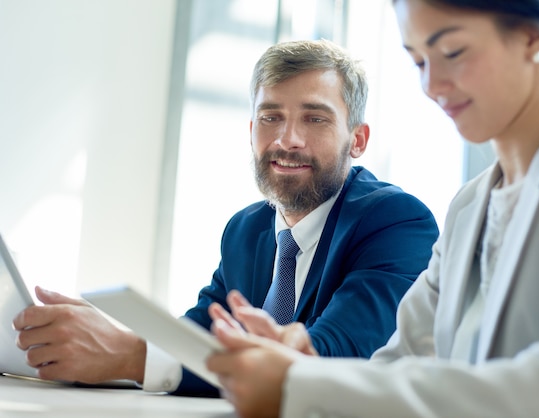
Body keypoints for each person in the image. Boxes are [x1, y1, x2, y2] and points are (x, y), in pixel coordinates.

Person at [203, 1, 539, 417]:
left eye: (453, 53)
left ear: (533, 36)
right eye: (419, 61)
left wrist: (298, 384)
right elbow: (397, 364)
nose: (433, 85)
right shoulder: (470, 204)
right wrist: (299, 360)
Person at [12, 39, 439, 396]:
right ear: (251, 129)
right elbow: (194, 338)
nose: (287, 140)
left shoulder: (396, 221)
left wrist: (132, 353)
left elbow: (336, 356)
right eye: (271, 117)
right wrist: (104, 336)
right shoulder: (245, 229)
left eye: (315, 119)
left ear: (358, 139)